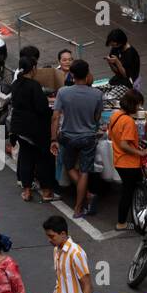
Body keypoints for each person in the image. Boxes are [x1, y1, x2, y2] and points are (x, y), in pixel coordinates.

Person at [51, 58, 103, 217]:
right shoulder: (97, 94)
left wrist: (53, 139)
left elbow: (55, 117)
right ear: (87, 75)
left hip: (67, 136)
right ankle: (79, 207)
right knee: (85, 171)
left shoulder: (63, 92)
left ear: (72, 75)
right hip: (88, 138)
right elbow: (96, 118)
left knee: (69, 166)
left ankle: (86, 197)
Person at [10, 52, 55, 202]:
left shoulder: (16, 84)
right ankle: (46, 191)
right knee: (43, 159)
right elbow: (42, 108)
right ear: (33, 68)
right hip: (35, 130)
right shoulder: (34, 86)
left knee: (26, 158)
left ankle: (27, 191)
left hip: (20, 129)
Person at [42, 214, 92, 293]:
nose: (49, 240)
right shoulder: (56, 250)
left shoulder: (76, 253)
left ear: (63, 234)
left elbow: (87, 285)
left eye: (51, 236)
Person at [110, 89, 147, 230]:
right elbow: (124, 145)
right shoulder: (128, 121)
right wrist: (141, 152)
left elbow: (115, 138)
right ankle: (122, 223)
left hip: (119, 160)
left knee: (128, 191)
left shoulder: (115, 115)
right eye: (138, 105)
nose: (139, 108)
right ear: (132, 104)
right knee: (129, 192)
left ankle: (129, 218)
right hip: (128, 163)